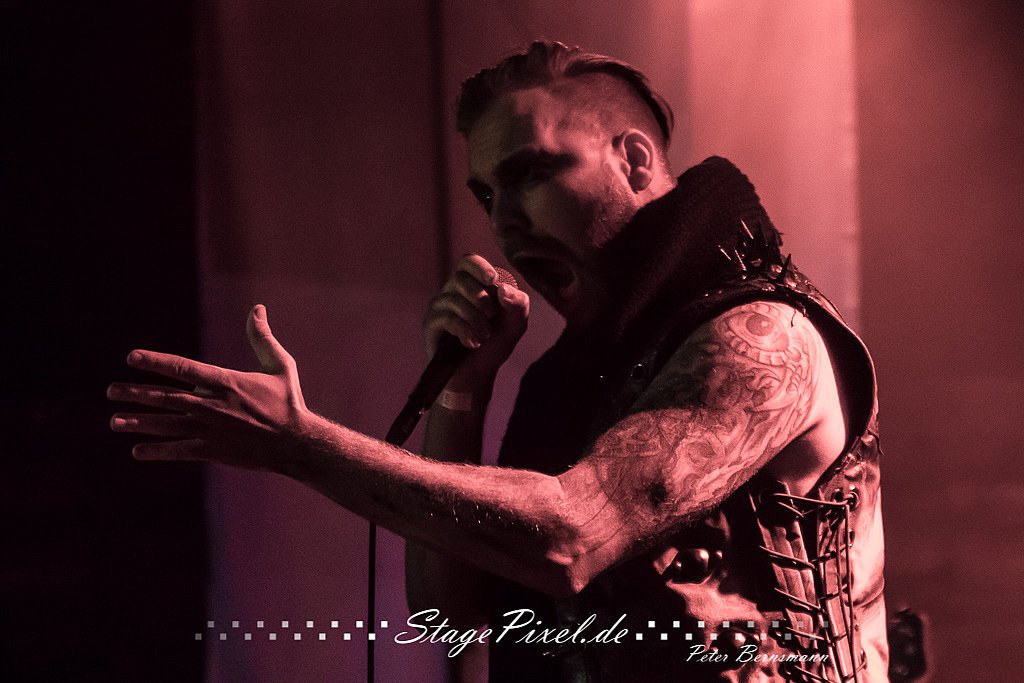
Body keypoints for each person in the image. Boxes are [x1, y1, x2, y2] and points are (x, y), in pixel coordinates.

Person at [108, 41, 888, 682]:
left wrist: (300, 444)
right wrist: (461, 396)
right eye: (486, 195)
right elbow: (448, 617)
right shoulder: (577, 375)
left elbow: (572, 535)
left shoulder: (760, 334)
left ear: (634, 159)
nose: (504, 222)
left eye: (531, 175)